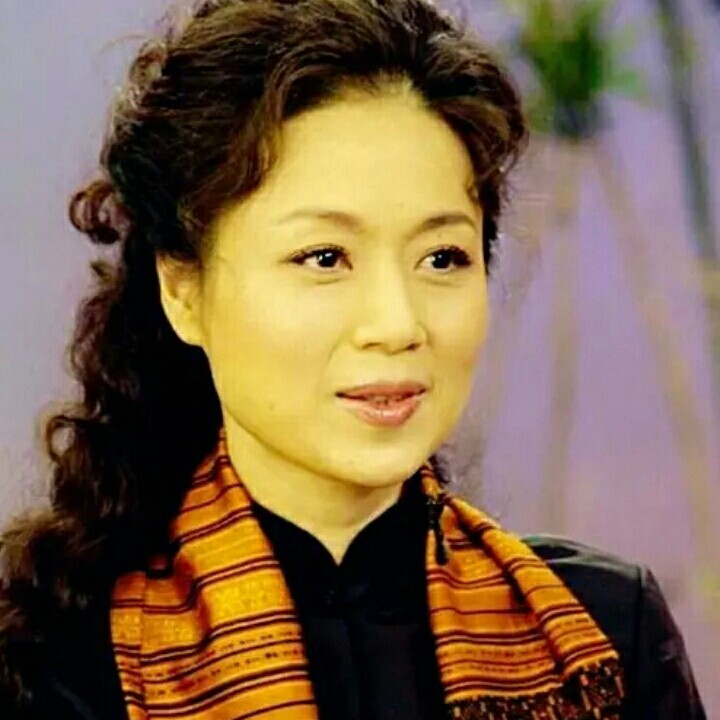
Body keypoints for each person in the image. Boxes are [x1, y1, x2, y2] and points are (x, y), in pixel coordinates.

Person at [0, 0, 707, 718]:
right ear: (183, 289)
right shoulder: (63, 664)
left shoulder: (604, 637)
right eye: (325, 257)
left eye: (442, 257)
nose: (396, 324)